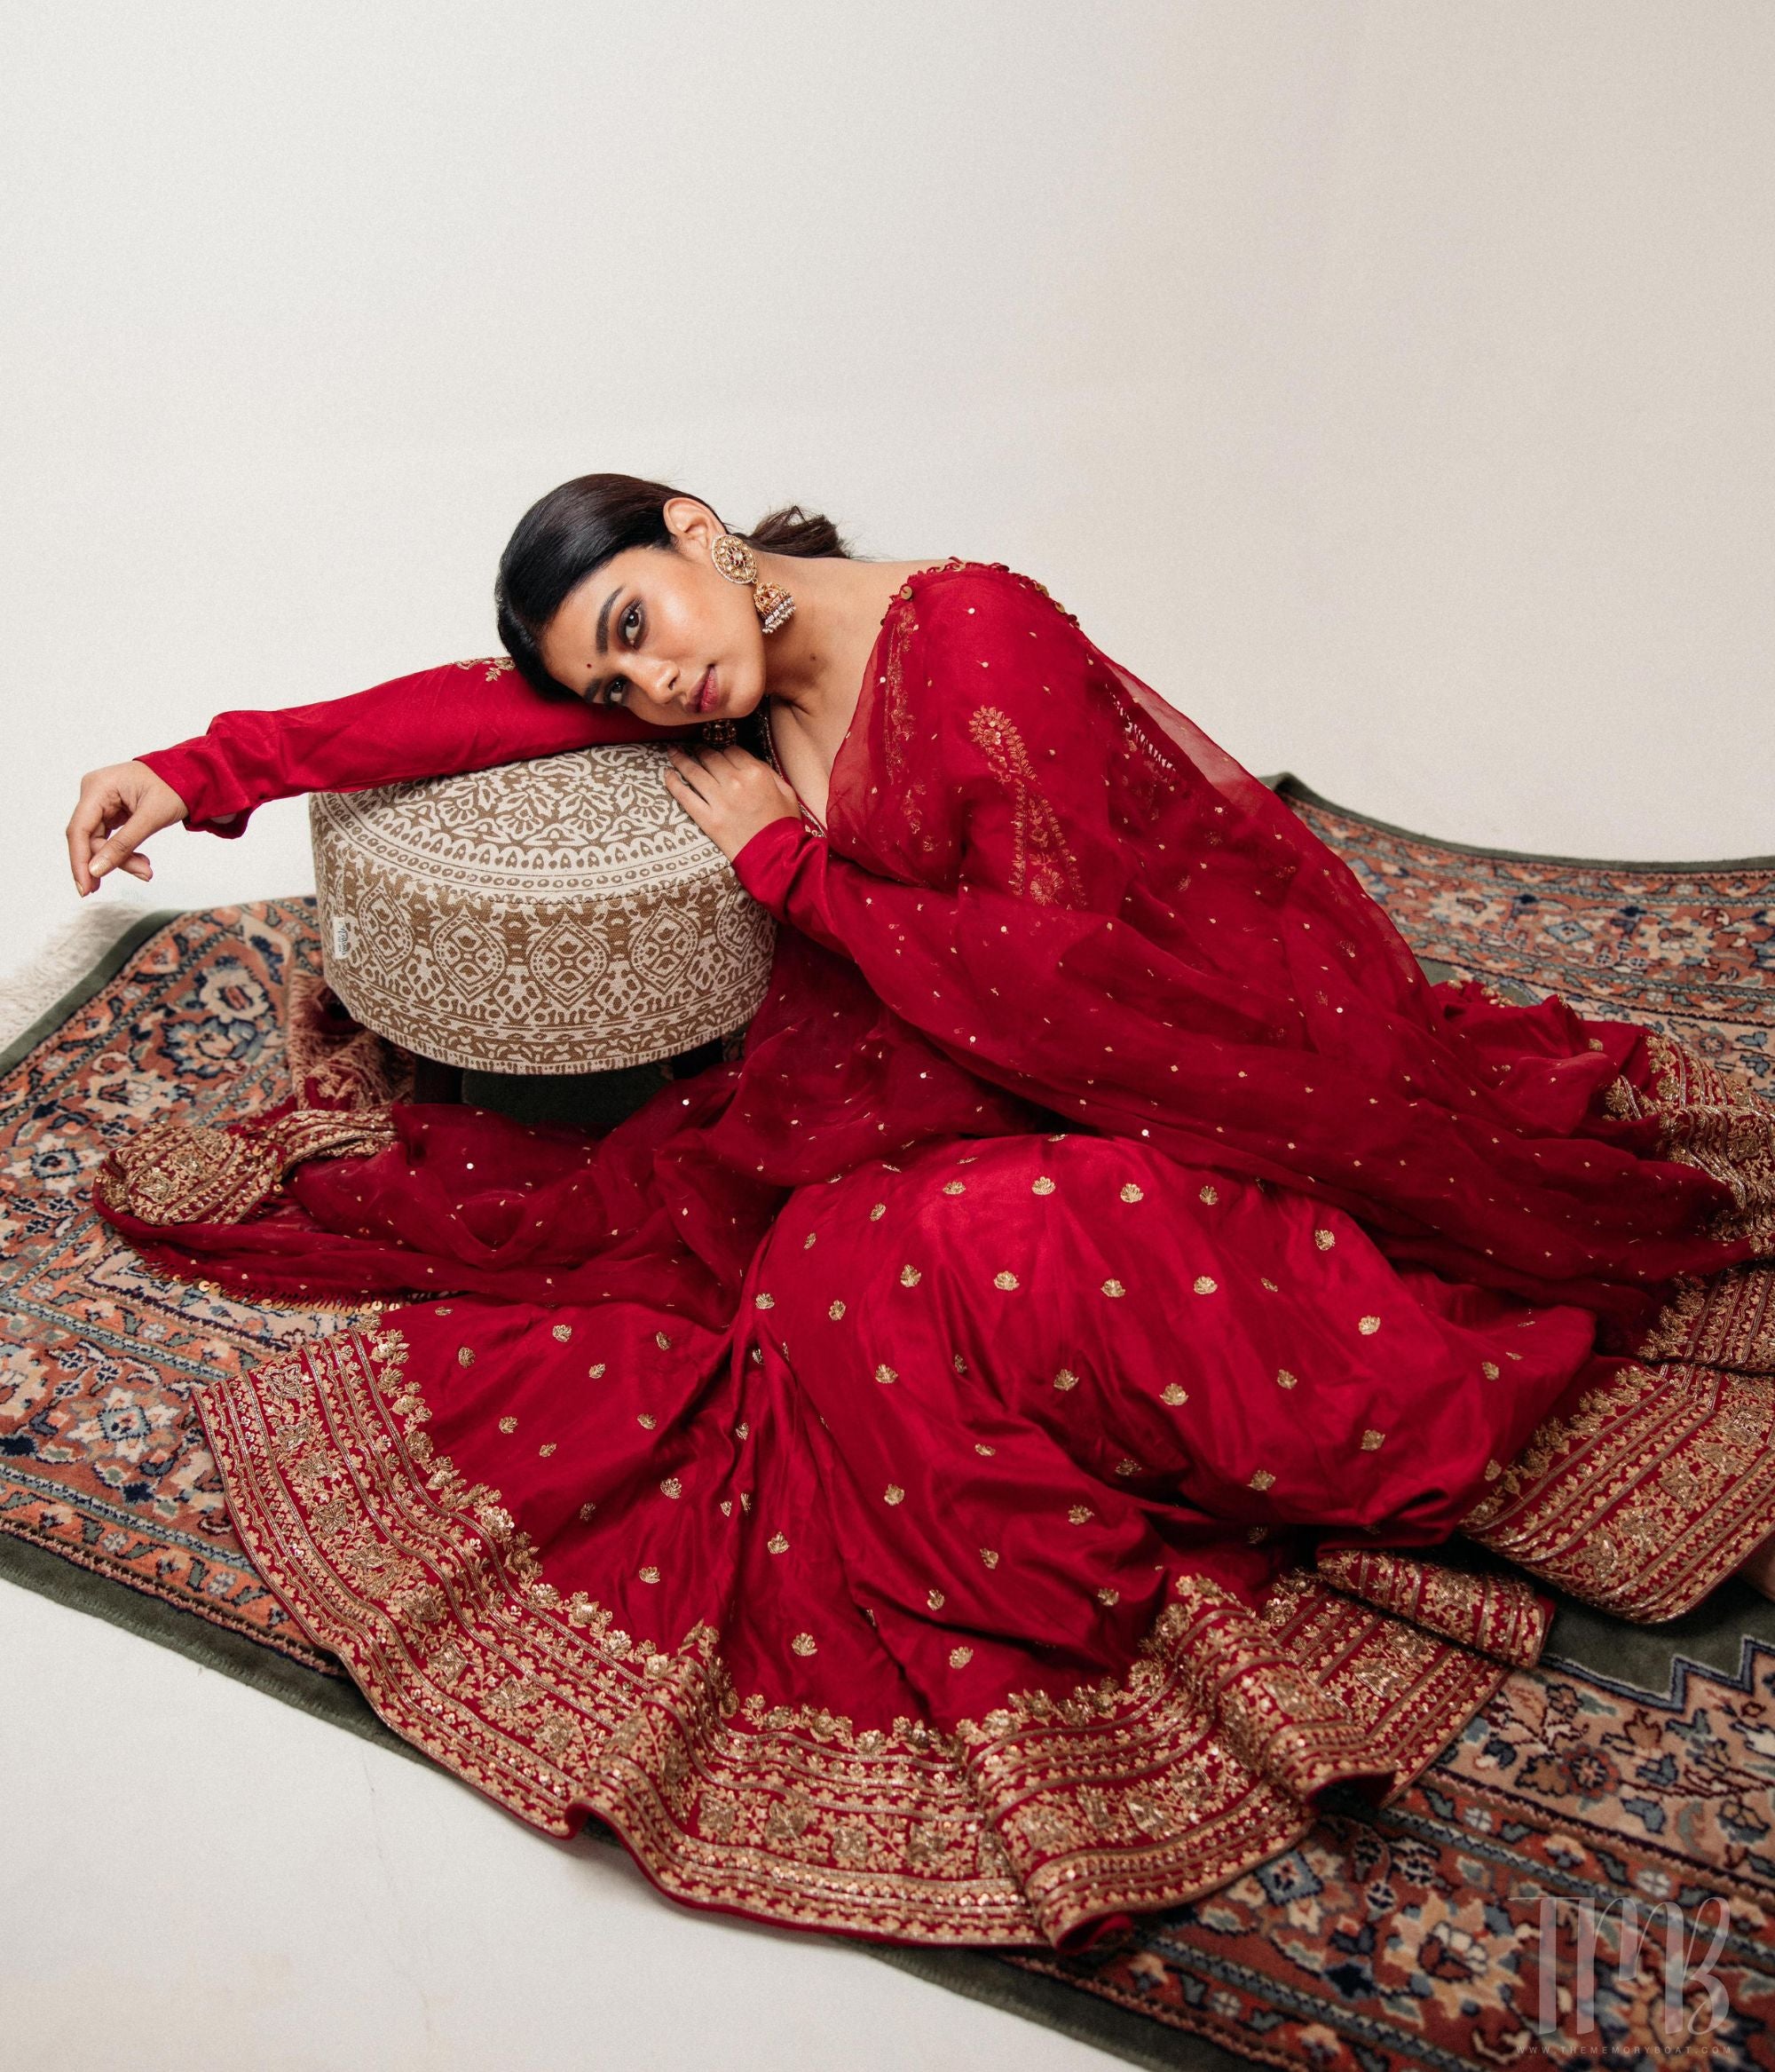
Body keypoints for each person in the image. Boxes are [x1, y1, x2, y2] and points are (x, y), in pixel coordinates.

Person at [67, 476, 1775, 1949]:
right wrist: (199, 764)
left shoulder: (970, 634)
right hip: (973, 1066)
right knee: (826, 1273)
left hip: (1174, 1046)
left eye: (644, 621)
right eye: (620, 675)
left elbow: (1076, 983)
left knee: (910, 1274)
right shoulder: (713, 691)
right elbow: (461, 709)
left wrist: (794, 876)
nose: (658, 679)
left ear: (699, 528)